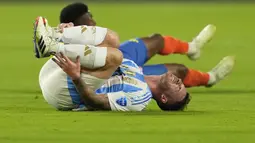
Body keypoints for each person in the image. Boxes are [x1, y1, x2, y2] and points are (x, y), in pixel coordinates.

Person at [59, 2, 235, 88]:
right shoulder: (68, 47)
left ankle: (192, 48)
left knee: (157, 40)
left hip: (119, 55)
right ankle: (211, 78)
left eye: (91, 17)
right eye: (88, 20)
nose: (94, 22)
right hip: (116, 74)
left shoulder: (88, 33)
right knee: (178, 71)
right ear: (74, 26)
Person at [35, 17, 188, 111]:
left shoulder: (140, 97)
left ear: (163, 98)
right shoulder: (135, 68)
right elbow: (98, 52)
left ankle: (52, 47)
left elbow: (95, 102)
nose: (179, 81)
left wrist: (76, 78)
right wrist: (72, 35)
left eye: (179, 87)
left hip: (63, 92)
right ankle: (54, 36)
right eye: (181, 83)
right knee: (113, 39)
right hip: (53, 70)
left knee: (116, 56)